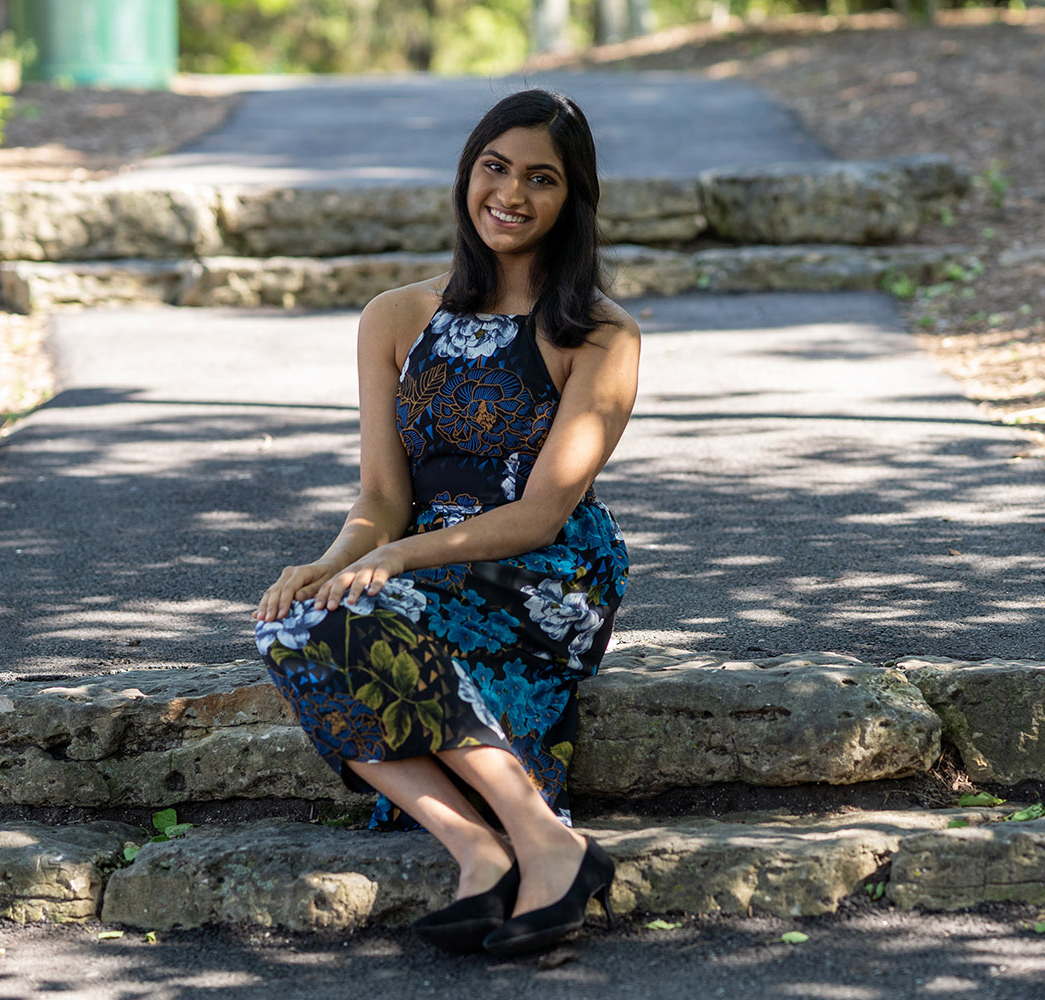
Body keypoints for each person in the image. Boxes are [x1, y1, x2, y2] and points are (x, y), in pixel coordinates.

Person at [252, 88, 639, 958]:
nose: (510, 193)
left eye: (541, 178)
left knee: (375, 615)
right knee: (291, 624)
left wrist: (394, 559)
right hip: (419, 559)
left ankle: (541, 842)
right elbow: (381, 499)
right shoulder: (396, 316)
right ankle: (485, 849)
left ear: (572, 198)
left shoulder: (600, 334)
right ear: (468, 173)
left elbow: (542, 512)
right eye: (494, 167)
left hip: (548, 570)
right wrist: (329, 564)